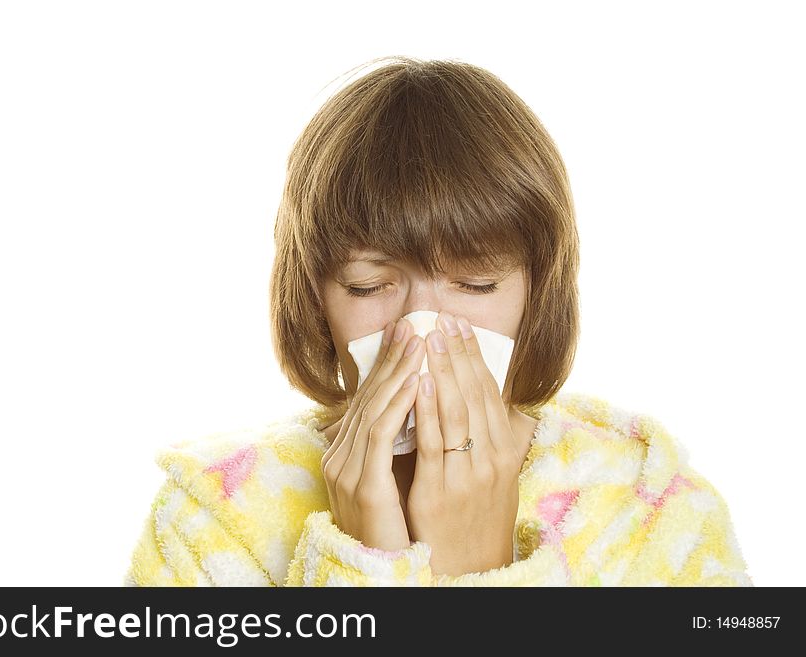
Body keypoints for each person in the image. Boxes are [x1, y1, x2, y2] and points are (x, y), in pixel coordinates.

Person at [123, 56, 753, 586]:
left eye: (475, 283)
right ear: (314, 295)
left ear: (539, 290)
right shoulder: (210, 519)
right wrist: (366, 561)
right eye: (369, 285)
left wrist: (478, 568)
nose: (420, 329)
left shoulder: (649, 512)